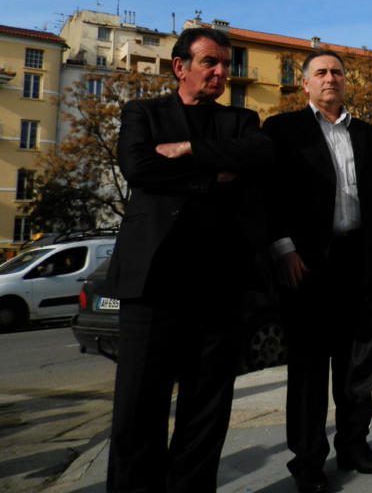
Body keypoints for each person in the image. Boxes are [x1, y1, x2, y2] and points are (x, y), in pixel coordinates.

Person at [105, 27, 274, 493]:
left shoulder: (241, 122)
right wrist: (211, 174)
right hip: (154, 283)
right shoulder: (143, 112)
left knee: (206, 411)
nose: (221, 72)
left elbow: (260, 154)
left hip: (219, 285)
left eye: (226, 63)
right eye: (210, 63)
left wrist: (189, 150)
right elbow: (138, 166)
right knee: (139, 409)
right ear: (180, 67)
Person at [263, 49, 372, 493]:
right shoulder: (283, 130)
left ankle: (354, 447)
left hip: (358, 262)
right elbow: (270, 195)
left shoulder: (368, 135)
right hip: (308, 264)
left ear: (346, 80)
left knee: (357, 365)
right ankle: (307, 463)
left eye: (337, 72)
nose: (330, 78)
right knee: (308, 369)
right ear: (305, 83)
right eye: (320, 72)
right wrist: (283, 248)